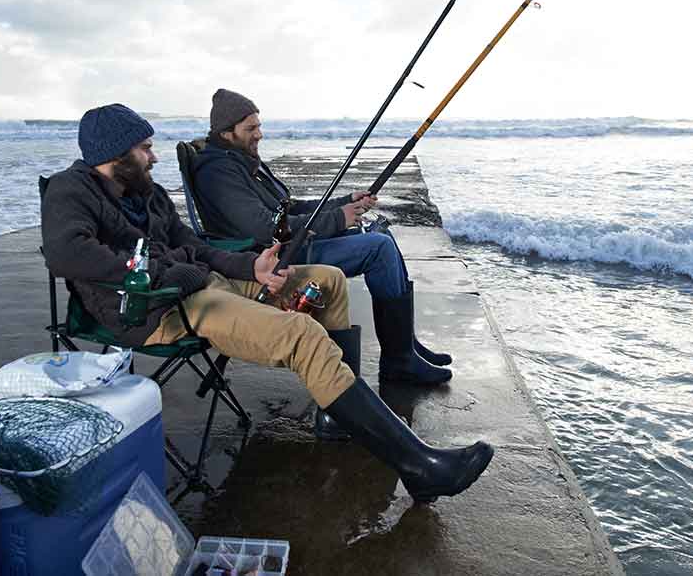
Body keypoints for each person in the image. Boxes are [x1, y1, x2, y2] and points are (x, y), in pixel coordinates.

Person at [40, 103, 494, 503]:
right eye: (144, 148)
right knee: (301, 333)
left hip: (201, 285)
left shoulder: (148, 193)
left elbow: (193, 244)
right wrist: (163, 275)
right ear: (114, 156)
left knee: (329, 280)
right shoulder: (70, 191)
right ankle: (420, 468)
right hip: (156, 309)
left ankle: (335, 412)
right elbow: (66, 253)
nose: (153, 156)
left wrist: (250, 268)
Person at [191, 89, 454, 392]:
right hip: (275, 258)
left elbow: (288, 209)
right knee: (378, 248)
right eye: (250, 128)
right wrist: (338, 218)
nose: (259, 134)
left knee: (381, 233)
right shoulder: (218, 173)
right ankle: (398, 362)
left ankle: (403, 344)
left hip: (291, 244)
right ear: (226, 132)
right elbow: (266, 230)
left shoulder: (243, 162)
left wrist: (344, 202)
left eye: (258, 125)